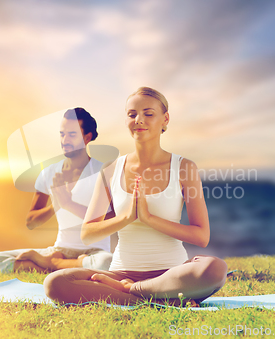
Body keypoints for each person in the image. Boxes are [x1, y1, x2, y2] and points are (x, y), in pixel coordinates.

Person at [44, 88, 227, 305]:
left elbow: (201, 236)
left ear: (165, 119)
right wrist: (126, 218)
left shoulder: (184, 168)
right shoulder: (111, 170)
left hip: (171, 275)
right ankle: (159, 301)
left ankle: (133, 292)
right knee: (54, 283)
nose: (139, 120)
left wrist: (149, 218)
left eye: (148, 114)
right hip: (120, 273)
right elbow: (88, 233)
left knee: (215, 269)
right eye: (132, 114)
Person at [0, 108, 112, 274]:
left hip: (94, 253)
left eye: (72, 135)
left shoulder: (104, 172)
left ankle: (50, 264)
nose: (65, 140)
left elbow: (111, 220)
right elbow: (31, 222)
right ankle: (61, 264)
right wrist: (56, 206)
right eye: (62, 134)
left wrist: (69, 204)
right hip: (59, 249)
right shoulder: (49, 173)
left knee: (106, 263)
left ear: (87, 137)